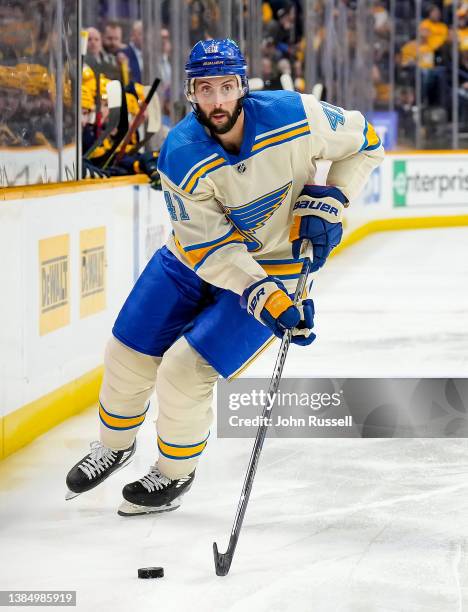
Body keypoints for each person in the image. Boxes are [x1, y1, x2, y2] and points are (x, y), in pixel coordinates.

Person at [65, 39, 384, 516]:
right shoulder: (180, 151)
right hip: (194, 259)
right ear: (192, 93)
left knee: (183, 372)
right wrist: (258, 295)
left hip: (277, 268)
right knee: (127, 350)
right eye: (206, 89)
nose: (218, 101)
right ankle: (114, 443)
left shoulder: (298, 115)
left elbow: (367, 143)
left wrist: (334, 196)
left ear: (243, 85)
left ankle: (173, 475)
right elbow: (209, 246)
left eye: (227, 87)